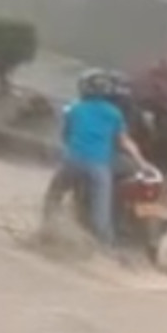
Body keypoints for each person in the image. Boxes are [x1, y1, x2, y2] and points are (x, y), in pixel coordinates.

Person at [47, 69, 156, 247]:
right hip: (99, 167)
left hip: (72, 162)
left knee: (54, 194)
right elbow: (125, 141)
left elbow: (65, 135)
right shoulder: (115, 113)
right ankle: (105, 248)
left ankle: (46, 228)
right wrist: (143, 164)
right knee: (101, 214)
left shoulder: (75, 108)